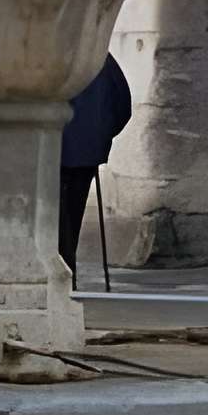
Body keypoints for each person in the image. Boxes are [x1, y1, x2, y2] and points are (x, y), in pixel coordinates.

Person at [58, 49, 132, 275]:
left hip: (52, 148)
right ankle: (67, 267)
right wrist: (101, 135)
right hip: (87, 149)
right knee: (72, 209)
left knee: (53, 214)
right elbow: (122, 106)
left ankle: (61, 268)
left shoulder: (49, 51)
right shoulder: (99, 54)